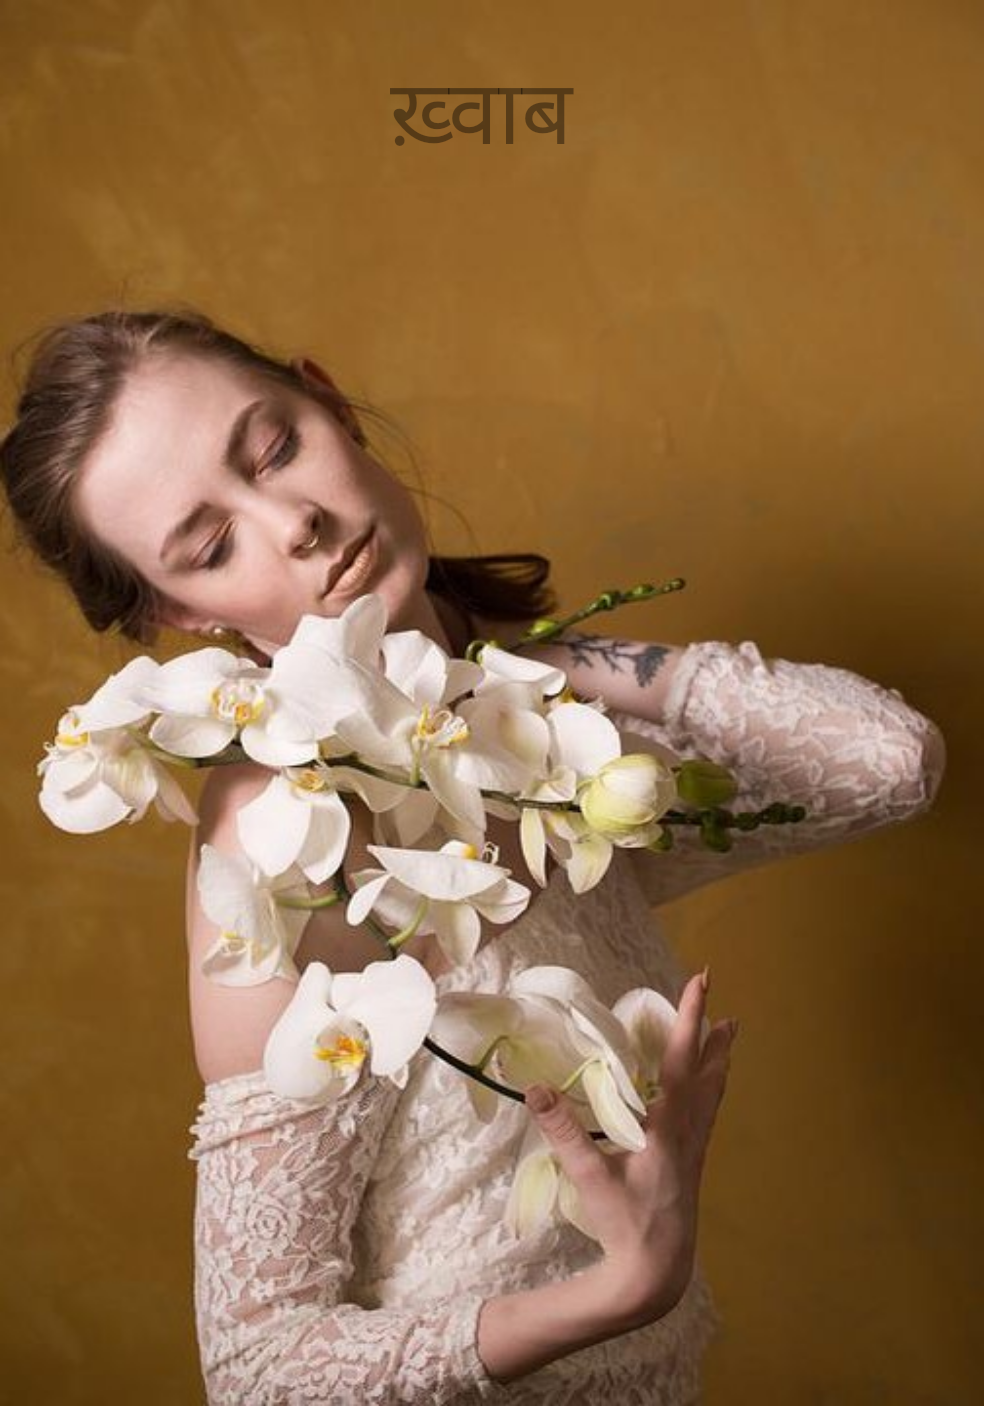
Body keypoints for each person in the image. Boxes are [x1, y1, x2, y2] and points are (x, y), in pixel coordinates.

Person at [0, 309, 946, 1404]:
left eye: (276, 447)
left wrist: (520, 666)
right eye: (212, 547)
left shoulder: (536, 737)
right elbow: (261, 1367)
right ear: (178, 610)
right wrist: (619, 1290)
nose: (295, 522)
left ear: (330, 400)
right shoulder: (285, 837)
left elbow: (887, 762)